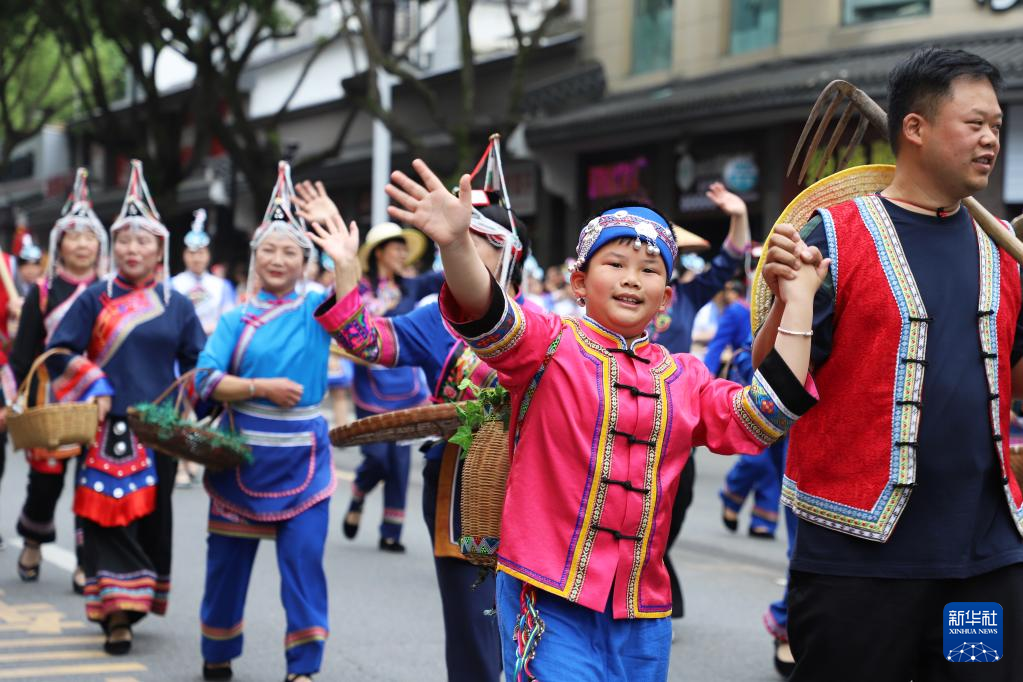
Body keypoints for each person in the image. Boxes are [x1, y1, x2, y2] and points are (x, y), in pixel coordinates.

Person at [384, 157, 823, 679]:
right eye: (615, 264)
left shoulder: (686, 376)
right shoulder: (548, 345)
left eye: (650, 270)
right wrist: (457, 246)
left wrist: (798, 301)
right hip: (545, 597)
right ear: (579, 280)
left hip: (642, 613)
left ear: (667, 296)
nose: (632, 280)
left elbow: (766, 413)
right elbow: (484, 311)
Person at [755, 48, 1023, 681]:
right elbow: (770, 386)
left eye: (996, 126)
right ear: (915, 128)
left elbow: (1013, 385)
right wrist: (788, 302)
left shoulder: (1004, 251)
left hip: (982, 565)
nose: (990, 139)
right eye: (974, 123)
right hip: (858, 565)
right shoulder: (833, 236)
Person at [304, 152, 528, 682]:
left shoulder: (546, 322)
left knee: (537, 630)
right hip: (462, 490)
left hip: (536, 492)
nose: (455, 249)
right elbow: (366, 340)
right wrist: (345, 270)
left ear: (506, 252)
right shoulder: (435, 317)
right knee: (474, 630)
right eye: (451, 239)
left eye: (469, 238)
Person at [46, 159, 205, 655]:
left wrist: (201, 400)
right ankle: (115, 613)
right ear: (114, 248)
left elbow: (198, 363)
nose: (133, 249)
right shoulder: (94, 298)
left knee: (153, 519)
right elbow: (60, 352)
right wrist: (95, 383)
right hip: (106, 427)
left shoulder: (177, 303)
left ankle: (136, 603)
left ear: (159, 249)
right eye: (125, 241)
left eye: (143, 241)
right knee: (107, 518)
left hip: (160, 430)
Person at [192, 162, 336, 682]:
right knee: (226, 566)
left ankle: (304, 667)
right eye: (269, 251)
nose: (278, 259)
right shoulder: (235, 318)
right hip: (239, 456)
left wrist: (337, 238)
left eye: (289, 251)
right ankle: (217, 651)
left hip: (305, 460)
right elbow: (205, 380)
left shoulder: (319, 309)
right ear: (255, 259)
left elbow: (352, 299)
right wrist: (259, 388)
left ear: (306, 261)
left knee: (304, 564)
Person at [13, 168, 105, 592]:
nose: (82, 245)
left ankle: (88, 560)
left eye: (90, 237)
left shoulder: (111, 290)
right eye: (74, 237)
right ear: (60, 244)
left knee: (94, 484)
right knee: (45, 483)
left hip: (98, 400)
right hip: (51, 399)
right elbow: (23, 354)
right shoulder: (43, 292)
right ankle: (33, 540)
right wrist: (12, 401)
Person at [333, 219, 434, 552]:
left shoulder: (411, 287)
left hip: (406, 384)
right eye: (396, 248)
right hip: (371, 384)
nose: (403, 254)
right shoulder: (360, 290)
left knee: (401, 461)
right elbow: (343, 321)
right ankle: (359, 491)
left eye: (405, 248)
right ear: (379, 252)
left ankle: (392, 531)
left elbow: (445, 278)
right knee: (378, 457)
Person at [172, 208, 237, 487]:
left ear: (208, 255)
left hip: (213, 353)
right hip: (182, 354)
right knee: (182, 409)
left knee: (209, 409)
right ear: (184, 255)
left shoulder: (221, 286)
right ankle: (181, 462)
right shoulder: (174, 284)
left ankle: (197, 456)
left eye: (201, 252)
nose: (197, 258)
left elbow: (230, 319)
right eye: (191, 253)